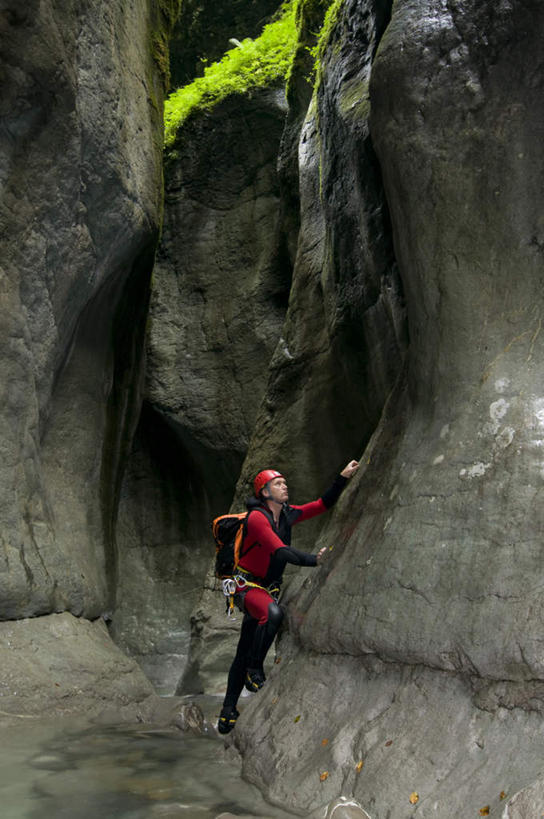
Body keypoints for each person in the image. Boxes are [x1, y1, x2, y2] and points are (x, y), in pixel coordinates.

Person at [217, 460, 359, 734]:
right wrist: (313, 560)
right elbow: (280, 552)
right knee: (272, 614)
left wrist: (342, 477)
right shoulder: (258, 518)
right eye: (278, 484)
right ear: (265, 493)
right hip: (245, 585)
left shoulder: (287, 514)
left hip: (267, 587)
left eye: (284, 483)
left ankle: (227, 710)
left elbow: (321, 505)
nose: (285, 486)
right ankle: (254, 671)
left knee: (245, 644)